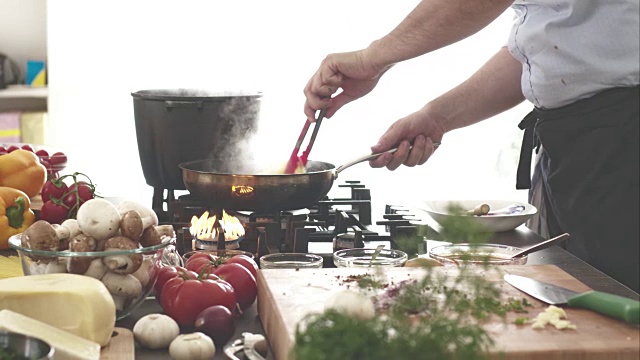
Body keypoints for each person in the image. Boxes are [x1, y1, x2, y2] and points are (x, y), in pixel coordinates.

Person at [303, 0, 639, 293]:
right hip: (579, 146)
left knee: (621, 315)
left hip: (623, 141)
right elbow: (541, 54)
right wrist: (435, 117)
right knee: (594, 306)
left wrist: (372, 58)